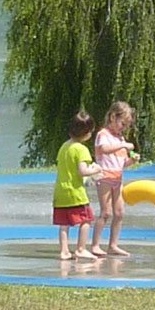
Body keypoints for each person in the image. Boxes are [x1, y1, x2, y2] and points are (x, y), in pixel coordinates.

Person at [90, 101, 140, 257]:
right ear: (112, 117)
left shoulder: (120, 138)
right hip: (104, 176)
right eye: (122, 123)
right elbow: (104, 149)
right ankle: (96, 245)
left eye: (126, 125)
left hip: (117, 178)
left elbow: (121, 163)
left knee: (119, 213)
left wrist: (132, 161)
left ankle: (113, 244)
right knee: (105, 212)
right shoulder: (102, 135)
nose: (123, 127)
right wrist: (123, 146)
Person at [55, 109, 104, 260]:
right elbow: (82, 171)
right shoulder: (81, 149)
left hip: (60, 192)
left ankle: (64, 251)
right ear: (88, 132)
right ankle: (81, 248)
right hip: (75, 192)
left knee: (64, 223)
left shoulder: (64, 147)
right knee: (86, 220)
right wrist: (94, 169)